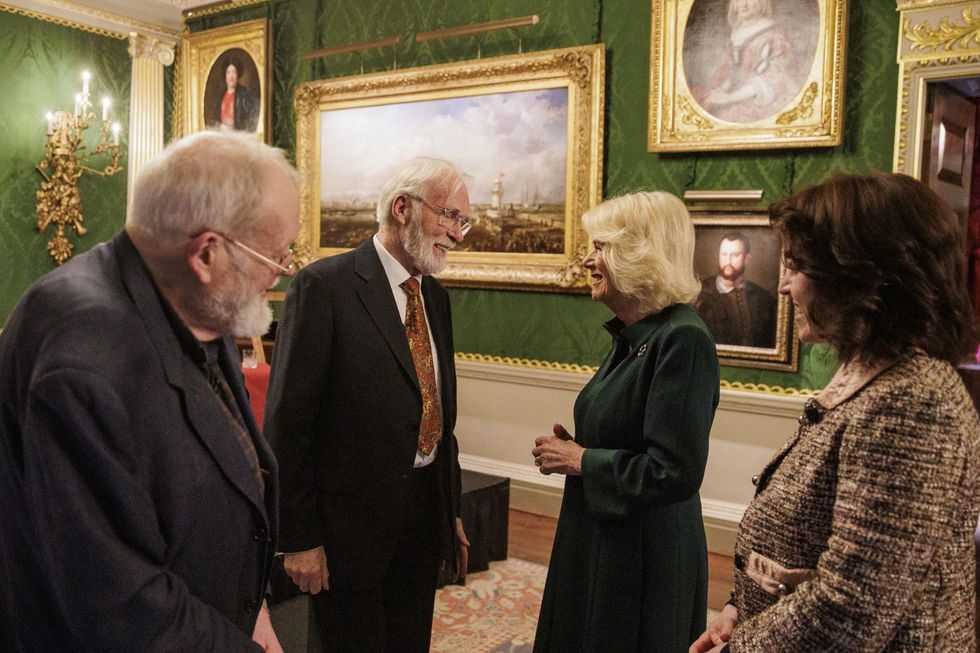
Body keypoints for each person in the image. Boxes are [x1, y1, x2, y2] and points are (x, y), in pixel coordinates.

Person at [0, 130, 299, 651]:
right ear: (207, 254)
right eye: (276, 254)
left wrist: (253, 608)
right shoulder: (82, 360)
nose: (281, 272)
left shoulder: (200, 298)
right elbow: (116, 602)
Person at [691, 172, 980, 653]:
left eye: (798, 266)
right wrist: (737, 609)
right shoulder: (876, 378)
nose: (783, 287)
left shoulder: (911, 403)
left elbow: (853, 607)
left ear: (861, 276)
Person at [264, 156, 471, 653]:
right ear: (402, 207)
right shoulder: (324, 287)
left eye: (463, 221)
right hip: (347, 534)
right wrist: (298, 537)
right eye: (449, 216)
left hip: (421, 521)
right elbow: (288, 425)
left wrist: (451, 513)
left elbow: (440, 416)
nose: (458, 234)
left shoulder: (434, 298)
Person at [531, 191, 721, 652]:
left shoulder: (682, 340)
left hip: (643, 558)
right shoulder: (636, 333)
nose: (587, 259)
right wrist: (580, 450)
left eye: (600, 247)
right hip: (606, 538)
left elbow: (673, 472)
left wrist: (581, 459)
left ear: (639, 254)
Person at [690, 0, 802, 123]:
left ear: (762, 2)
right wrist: (722, 89)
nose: (743, 4)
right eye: (738, 0)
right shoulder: (736, 30)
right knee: (701, 101)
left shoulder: (772, 33)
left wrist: (730, 97)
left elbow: (773, 79)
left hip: (764, 95)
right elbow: (729, 68)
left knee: (729, 117)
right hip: (735, 90)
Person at [695, 232, 777, 348]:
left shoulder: (763, 298)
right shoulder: (699, 294)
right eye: (724, 254)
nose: (728, 261)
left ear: (747, 258)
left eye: (735, 255)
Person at [208, 58, 260, 132]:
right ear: (225, 75)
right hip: (222, 137)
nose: (231, 77)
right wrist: (220, 126)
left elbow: (254, 119)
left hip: (238, 138)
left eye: (234, 72)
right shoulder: (221, 95)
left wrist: (237, 130)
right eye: (228, 73)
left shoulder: (245, 94)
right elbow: (213, 119)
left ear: (238, 75)